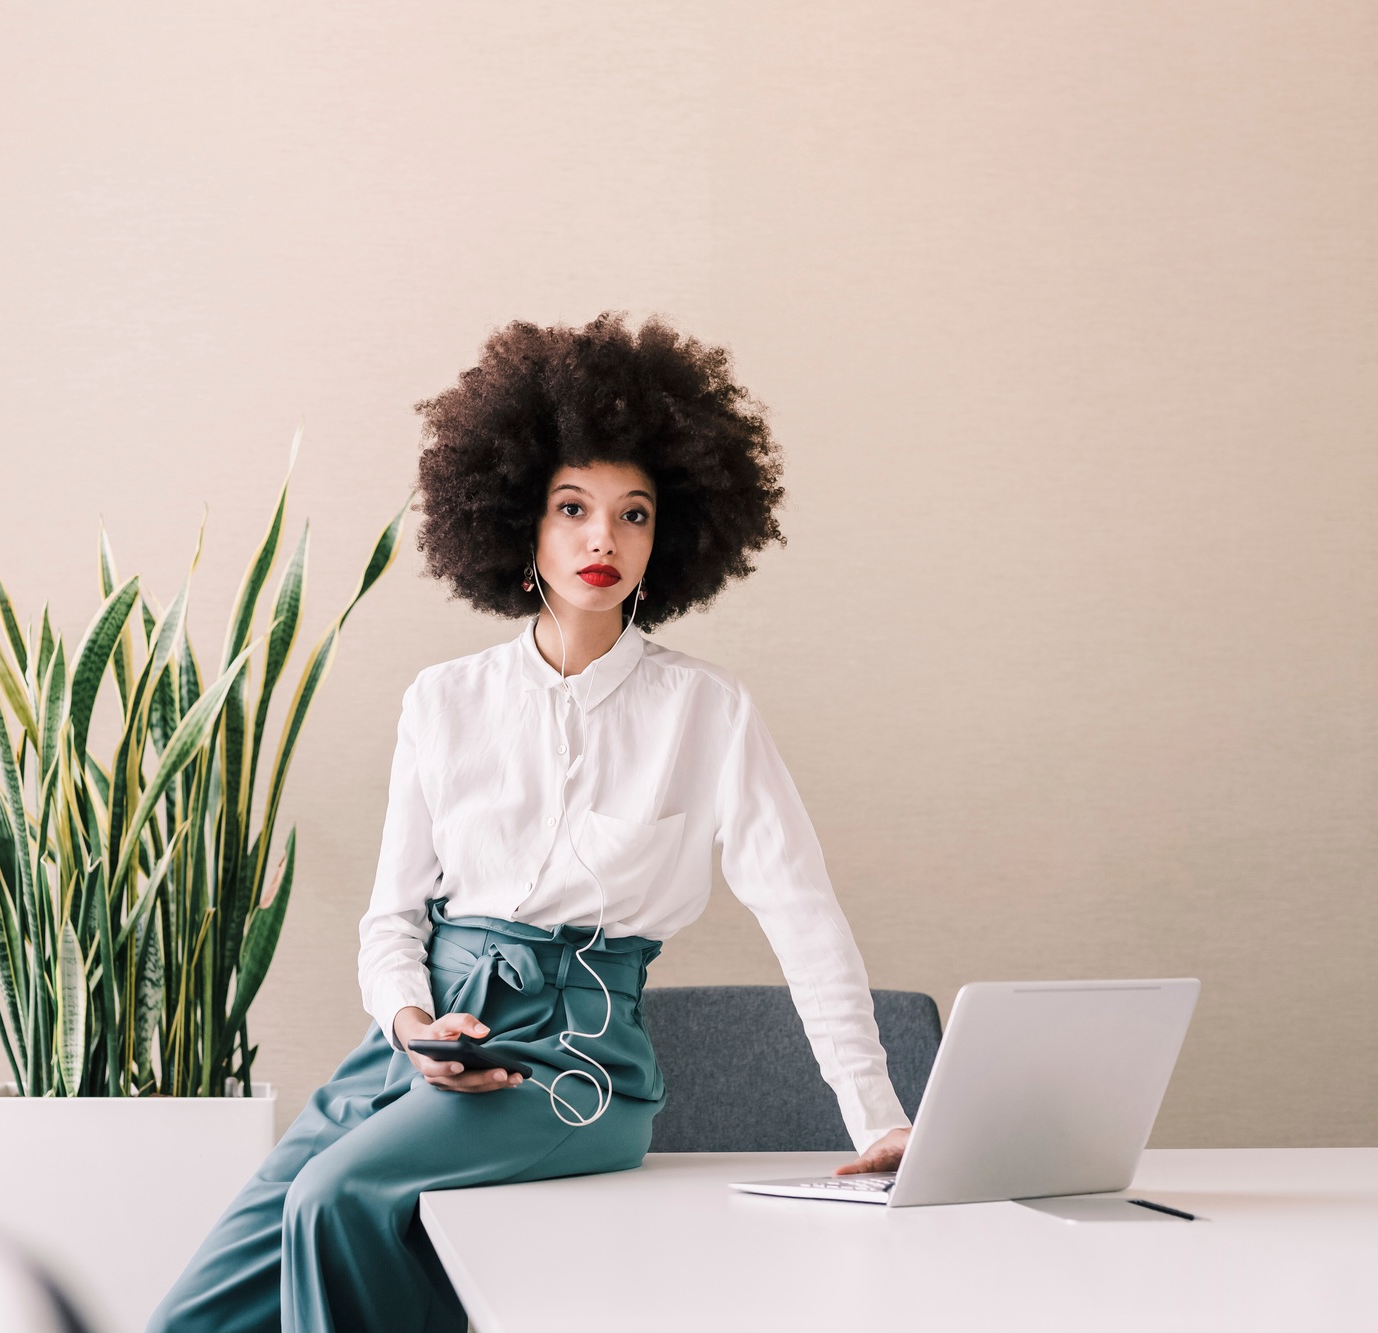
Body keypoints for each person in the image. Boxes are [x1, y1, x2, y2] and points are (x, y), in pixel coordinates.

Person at [150, 312, 912, 1333]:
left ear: (670, 536)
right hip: (416, 1046)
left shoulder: (706, 711)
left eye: (633, 514)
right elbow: (392, 921)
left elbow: (803, 918)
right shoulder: (440, 701)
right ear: (520, 522)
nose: (603, 538)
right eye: (572, 507)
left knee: (335, 1202)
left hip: (574, 1063)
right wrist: (412, 1025)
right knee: (190, 1316)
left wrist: (881, 1119)